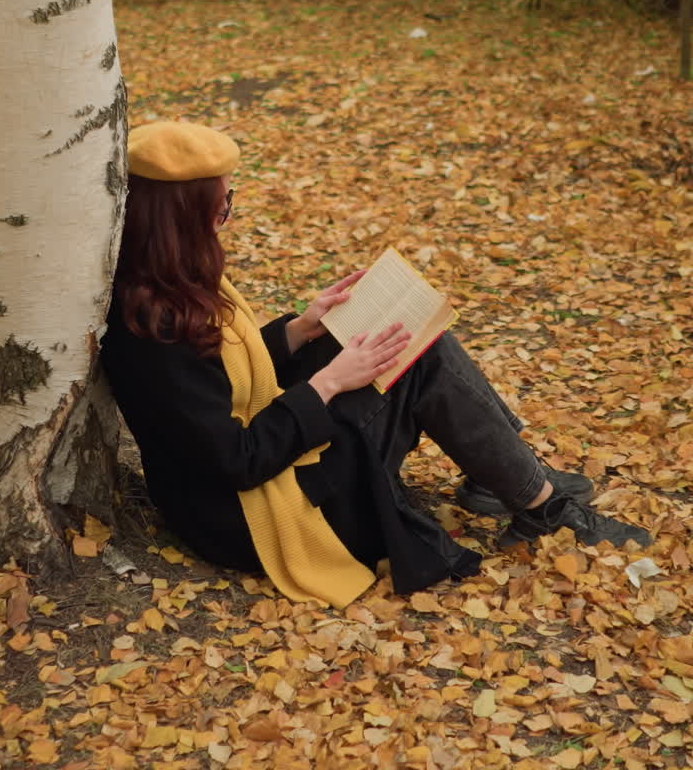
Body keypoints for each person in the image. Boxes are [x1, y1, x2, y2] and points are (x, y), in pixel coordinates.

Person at [101, 121, 650, 608]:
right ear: (181, 217)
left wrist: (302, 329)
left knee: (406, 334)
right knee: (419, 354)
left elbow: (221, 376)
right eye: (222, 205)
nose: (228, 214)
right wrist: (330, 381)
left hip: (256, 467)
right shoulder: (148, 326)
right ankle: (538, 504)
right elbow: (234, 460)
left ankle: (509, 478)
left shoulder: (170, 277)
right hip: (245, 516)